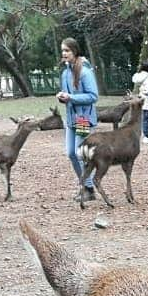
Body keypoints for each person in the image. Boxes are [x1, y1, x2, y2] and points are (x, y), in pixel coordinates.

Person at [57, 38, 99, 199]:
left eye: (67, 50)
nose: (64, 53)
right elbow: (68, 95)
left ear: (75, 51)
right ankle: (86, 186)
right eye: (62, 50)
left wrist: (71, 98)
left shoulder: (85, 71)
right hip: (71, 119)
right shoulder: (65, 72)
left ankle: (88, 189)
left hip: (83, 119)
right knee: (70, 153)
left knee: (79, 153)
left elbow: (93, 96)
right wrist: (62, 97)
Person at [132, 61, 148, 144]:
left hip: (144, 100)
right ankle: (146, 136)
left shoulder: (141, 76)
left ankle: (146, 135)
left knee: (146, 118)